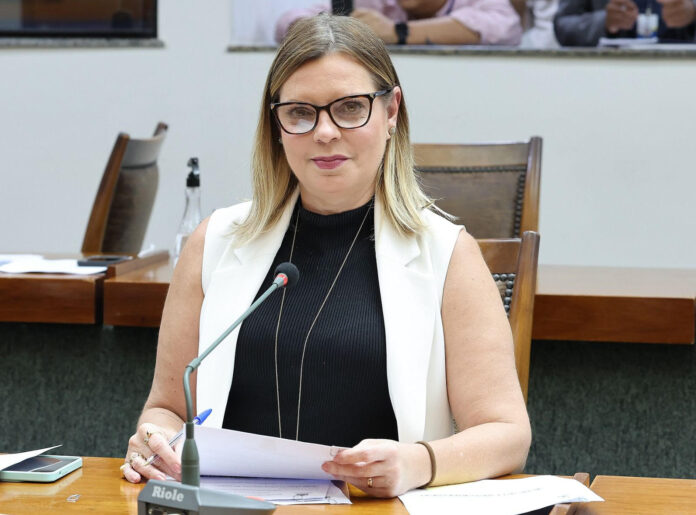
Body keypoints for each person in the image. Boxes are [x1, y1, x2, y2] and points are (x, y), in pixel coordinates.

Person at [122, 13, 531, 498]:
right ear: (276, 125)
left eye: (350, 108)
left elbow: (507, 434)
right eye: (300, 112)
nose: (325, 132)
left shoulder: (446, 253)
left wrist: (418, 462)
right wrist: (154, 440)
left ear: (391, 111)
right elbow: (168, 407)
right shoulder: (215, 242)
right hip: (228, 506)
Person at [275, 0, 523, 46]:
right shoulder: (374, 3)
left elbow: (507, 28)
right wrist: (338, 30)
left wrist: (397, 32)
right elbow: (288, 22)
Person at [554, 0, 696, 46]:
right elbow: (563, 25)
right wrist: (604, 21)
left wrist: (693, 11)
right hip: (607, 74)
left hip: (682, 74)